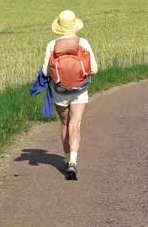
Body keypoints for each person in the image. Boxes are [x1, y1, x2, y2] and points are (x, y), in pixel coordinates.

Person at [42, 9, 98, 180]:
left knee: (65, 124)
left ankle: (66, 159)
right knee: (76, 124)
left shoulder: (52, 45)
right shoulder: (83, 43)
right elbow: (94, 69)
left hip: (59, 91)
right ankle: (73, 161)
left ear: (59, 26)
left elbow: (46, 72)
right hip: (79, 90)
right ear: (75, 25)